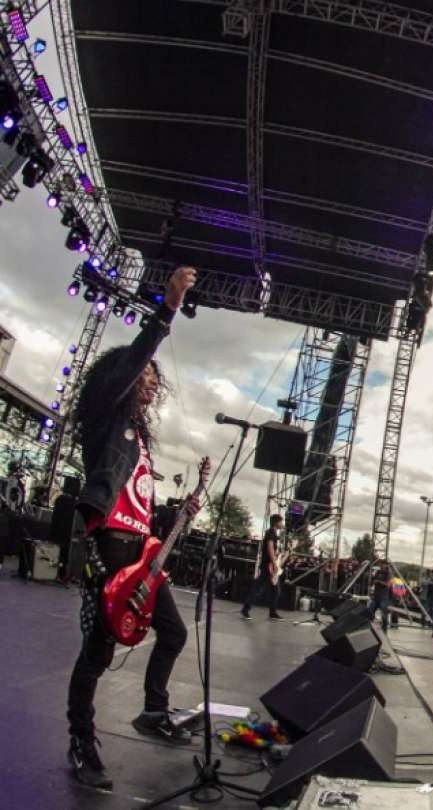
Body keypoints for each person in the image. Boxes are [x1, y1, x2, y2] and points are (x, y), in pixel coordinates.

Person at [66, 266, 199, 789]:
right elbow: (135, 359)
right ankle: (81, 740)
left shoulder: (139, 442)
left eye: (151, 379)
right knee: (98, 653)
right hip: (110, 549)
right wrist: (167, 310)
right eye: (143, 375)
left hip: (140, 551)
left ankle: (153, 710)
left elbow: (140, 505)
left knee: (174, 632)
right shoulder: (106, 418)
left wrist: (179, 513)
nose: (150, 382)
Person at [241, 514, 284, 620]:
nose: (282, 524)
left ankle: (272, 612)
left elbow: (273, 550)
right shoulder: (270, 533)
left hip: (270, 565)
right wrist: (274, 563)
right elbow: (270, 549)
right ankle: (246, 609)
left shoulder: (274, 534)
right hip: (267, 566)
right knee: (258, 589)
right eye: (281, 522)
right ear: (276, 522)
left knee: (275, 591)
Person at [368, 560, 393, 628]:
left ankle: (384, 628)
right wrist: (372, 582)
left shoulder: (389, 573)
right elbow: (373, 581)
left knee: (383, 613)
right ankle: (369, 625)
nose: (381, 565)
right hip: (376, 595)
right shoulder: (378, 572)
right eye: (380, 564)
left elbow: (388, 585)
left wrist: (378, 582)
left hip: (383, 597)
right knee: (370, 610)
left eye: (383, 564)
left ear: (386, 565)